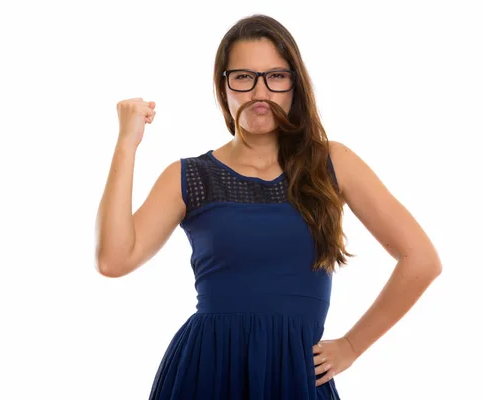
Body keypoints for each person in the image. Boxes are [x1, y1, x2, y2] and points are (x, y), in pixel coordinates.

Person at [95, 14, 442, 400]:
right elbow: (113, 259)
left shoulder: (332, 163)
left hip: (296, 377)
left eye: (276, 76)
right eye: (243, 77)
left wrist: (352, 346)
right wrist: (127, 143)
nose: (260, 92)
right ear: (223, 86)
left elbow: (421, 259)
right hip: (204, 374)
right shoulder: (190, 176)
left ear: (295, 85)